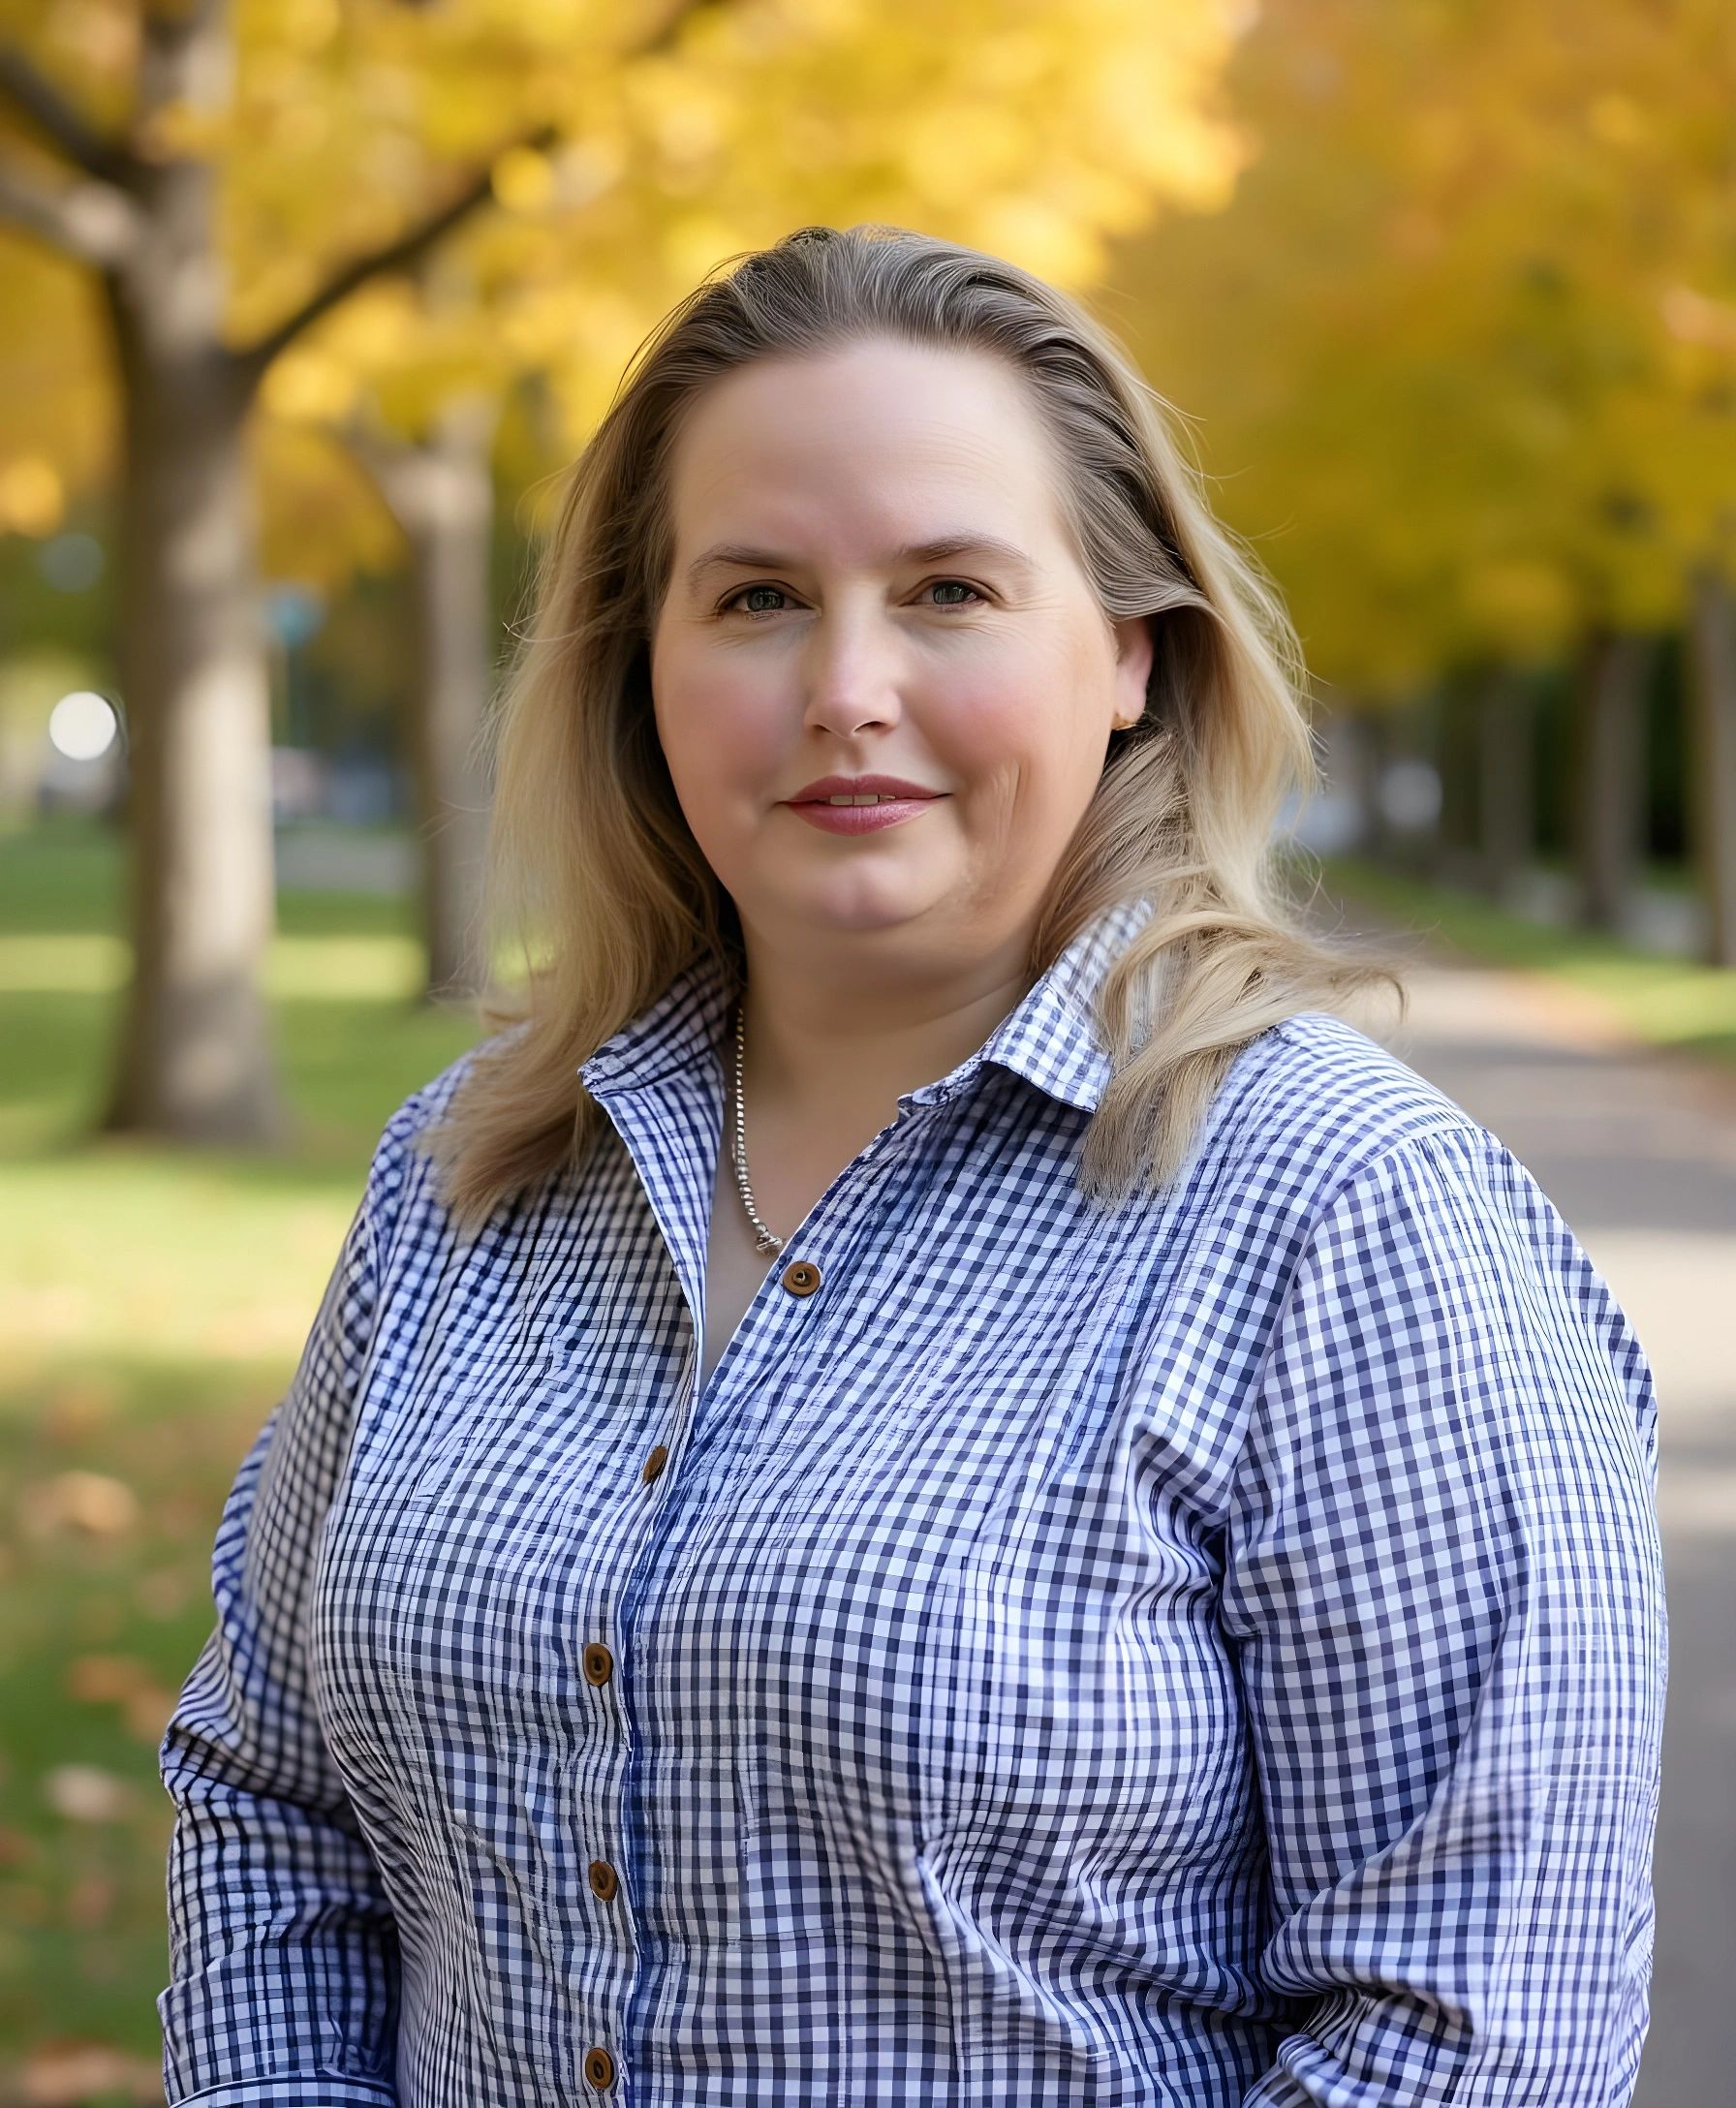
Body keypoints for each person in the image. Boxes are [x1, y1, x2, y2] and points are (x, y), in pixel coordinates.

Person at [157, 225, 1666, 2106]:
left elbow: (1467, 2029)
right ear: (644, 664)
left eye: (947, 588)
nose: (843, 687)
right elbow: (271, 1796)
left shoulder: (1350, 1222)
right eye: (756, 596)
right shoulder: (463, 1176)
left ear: (1125, 650)